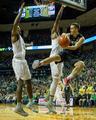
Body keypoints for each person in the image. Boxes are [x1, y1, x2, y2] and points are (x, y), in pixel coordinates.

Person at [32, 22, 85, 91]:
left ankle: (67, 79)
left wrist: (65, 46)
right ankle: (40, 63)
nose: (71, 30)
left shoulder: (81, 38)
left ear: (77, 29)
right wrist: (63, 35)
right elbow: (62, 36)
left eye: (72, 28)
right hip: (65, 53)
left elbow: (75, 47)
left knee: (81, 65)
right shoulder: (68, 35)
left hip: (73, 56)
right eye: (70, 28)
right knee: (54, 57)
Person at [34, 0, 65, 114]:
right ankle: (50, 101)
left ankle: (48, 99)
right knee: (56, 80)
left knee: (56, 81)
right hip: (54, 58)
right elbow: (57, 21)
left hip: (60, 59)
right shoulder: (54, 34)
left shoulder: (62, 39)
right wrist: (62, 8)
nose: (57, 29)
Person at [11, 2, 33, 116]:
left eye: (19, 28)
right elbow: (15, 24)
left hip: (23, 61)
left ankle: (30, 102)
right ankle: (18, 107)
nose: (18, 28)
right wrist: (21, 10)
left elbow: (25, 46)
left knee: (28, 81)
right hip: (18, 61)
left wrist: (30, 44)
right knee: (20, 83)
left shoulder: (21, 39)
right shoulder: (14, 36)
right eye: (17, 27)